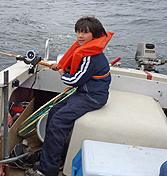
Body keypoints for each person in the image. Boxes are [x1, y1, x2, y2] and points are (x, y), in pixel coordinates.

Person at [25, 17, 114, 176]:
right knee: (53, 112)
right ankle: (54, 157)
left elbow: (75, 80)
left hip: (92, 97)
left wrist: (61, 72)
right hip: (84, 92)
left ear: (95, 35)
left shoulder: (91, 56)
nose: (80, 36)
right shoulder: (86, 50)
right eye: (79, 32)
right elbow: (74, 67)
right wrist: (61, 66)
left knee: (59, 121)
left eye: (85, 33)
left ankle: (47, 171)